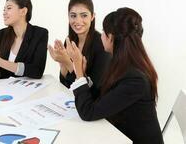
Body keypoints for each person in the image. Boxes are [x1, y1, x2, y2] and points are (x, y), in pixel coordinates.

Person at [66, 7, 164, 144]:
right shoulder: (122, 63)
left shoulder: (135, 79)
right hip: (120, 133)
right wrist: (82, 75)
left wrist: (78, 71)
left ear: (110, 37)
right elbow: (103, 98)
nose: (101, 36)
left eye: (103, 33)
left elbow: (88, 112)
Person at [48, 0, 110, 98]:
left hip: (95, 106)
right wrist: (62, 63)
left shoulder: (102, 45)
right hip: (74, 102)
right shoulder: (70, 40)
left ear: (92, 16)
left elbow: (95, 92)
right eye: (73, 16)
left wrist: (68, 63)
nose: (77, 21)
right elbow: (65, 85)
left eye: (84, 15)